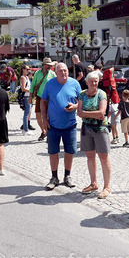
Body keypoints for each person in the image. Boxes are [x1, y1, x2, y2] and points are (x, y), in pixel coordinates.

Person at [41, 62, 82, 190]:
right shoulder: (50, 84)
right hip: (53, 125)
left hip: (70, 125)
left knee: (70, 151)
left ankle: (67, 176)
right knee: (53, 152)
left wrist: (75, 106)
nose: (63, 73)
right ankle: (54, 177)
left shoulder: (74, 83)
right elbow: (42, 101)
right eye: (60, 71)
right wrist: (44, 119)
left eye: (65, 70)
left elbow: (81, 101)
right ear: (56, 72)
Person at [78, 71, 112, 199]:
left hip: (100, 128)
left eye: (96, 81)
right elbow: (79, 113)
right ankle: (93, 183)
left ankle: (107, 186)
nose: (94, 83)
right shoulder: (82, 94)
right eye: (91, 81)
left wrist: (85, 113)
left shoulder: (101, 94)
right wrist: (91, 113)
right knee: (90, 156)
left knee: (104, 156)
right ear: (86, 82)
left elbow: (102, 113)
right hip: (87, 128)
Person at [31, 58, 54, 141]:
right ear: (44, 65)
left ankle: (48, 132)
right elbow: (33, 85)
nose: (49, 66)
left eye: (50, 65)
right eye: (48, 65)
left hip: (49, 97)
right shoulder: (37, 73)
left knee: (47, 116)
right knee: (38, 116)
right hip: (39, 96)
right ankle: (43, 131)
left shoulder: (52, 74)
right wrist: (30, 97)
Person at [99, 62, 121, 144]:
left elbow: (109, 111)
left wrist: (106, 118)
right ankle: (116, 138)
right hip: (116, 109)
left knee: (113, 126)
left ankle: (114, 138)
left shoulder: (109, 90)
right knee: (115, 127)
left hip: (112, 111)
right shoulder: (113, 89)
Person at [18, 65, 32, 132]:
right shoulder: (23, 78)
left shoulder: (27, 77)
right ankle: (25, 129)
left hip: (28, 96)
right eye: (27, 69)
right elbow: (23, 88)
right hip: (26, 96)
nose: (28, 70)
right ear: (23, 69)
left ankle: (25, 127)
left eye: (29, 69)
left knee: (28, 112)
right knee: (26, 113)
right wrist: (31, 91)